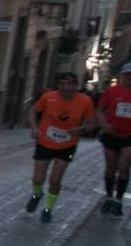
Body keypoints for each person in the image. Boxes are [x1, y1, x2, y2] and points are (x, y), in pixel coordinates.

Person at [27, 72, 94, 224]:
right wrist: (34, 128)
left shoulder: (85, 101)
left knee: (55, 180)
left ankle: (48, 209)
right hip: (45, 142)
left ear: (76, 85)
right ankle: (37, 195)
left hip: (67, 144)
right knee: (38, 178)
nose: (66, 87)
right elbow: (32, 111)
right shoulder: (48, 97)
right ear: (58, 85)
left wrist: (81, 129)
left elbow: (92, 124)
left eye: (69, 84)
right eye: (62, 83)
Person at [95, 61, 131, 216]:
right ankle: (109, 196)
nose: (128, 77)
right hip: (112, 134)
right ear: (121, 74)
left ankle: (118, 200)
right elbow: (100, 110)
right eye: (126, 73)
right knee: (110, 168)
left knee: (124, 166)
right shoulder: (111, 91)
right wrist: (104, 124)